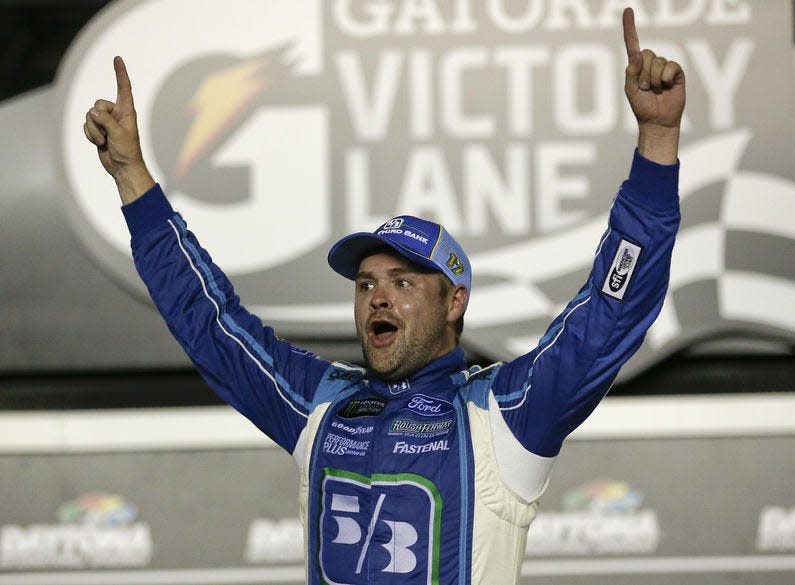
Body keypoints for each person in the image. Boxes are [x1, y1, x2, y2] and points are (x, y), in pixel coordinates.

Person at [83, 8, 683, 585]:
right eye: (367, 283)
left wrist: (657, 139)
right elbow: (208, 321)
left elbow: (612, 309)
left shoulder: (505, 415)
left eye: (403, 283)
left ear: (455, 304)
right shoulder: (318, 405)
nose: (378, 298)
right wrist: (133, 178)